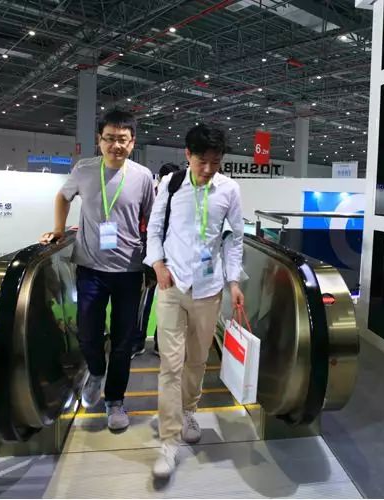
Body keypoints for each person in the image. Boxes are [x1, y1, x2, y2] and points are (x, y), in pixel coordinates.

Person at [39, 109, 155, 432]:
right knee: (88, 334)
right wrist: (59, 229)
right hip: (90, 267)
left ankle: (115, 400)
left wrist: (153, 259)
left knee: (123, 341)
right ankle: (96, 371)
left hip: (129, 271)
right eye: (110, 138)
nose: (116, 145)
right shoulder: (84, 169)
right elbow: (62, 197)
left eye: (123, 139)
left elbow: (151, 219)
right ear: (99, 140)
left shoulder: (143, 176)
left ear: (132, 142)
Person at [144, 125, 245, 479]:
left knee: (197, 361)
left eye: (215, 162)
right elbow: (154, 229)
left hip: (209, 289)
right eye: (202, 161)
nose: (208, 169)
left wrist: (234, 281)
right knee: (170, 365)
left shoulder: (229, 189)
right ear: (188, 155)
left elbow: (234, 239)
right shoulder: (171, 185)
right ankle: (169, 442)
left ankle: (189, 409)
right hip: (171, 285)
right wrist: (158, 265)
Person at [132, 162, 182, 359]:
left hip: (171, 259)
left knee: (168, 304)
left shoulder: (179, 197)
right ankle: (138, 342)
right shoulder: (150, 196)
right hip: (149, 258)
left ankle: (159, 344)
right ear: (160, 179)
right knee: (144, 301)